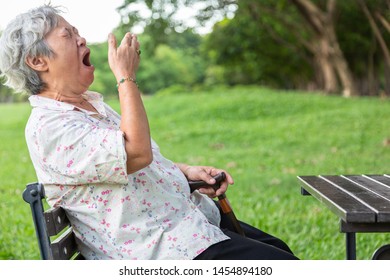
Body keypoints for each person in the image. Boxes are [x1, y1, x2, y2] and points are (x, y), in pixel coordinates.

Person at [0, 5, 298, 260]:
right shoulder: (51, 128)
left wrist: (186, 171)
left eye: (78, 32)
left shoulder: (92, 108)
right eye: (68, 35)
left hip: (188, 226)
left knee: (280, 252)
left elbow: (131, 165)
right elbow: (137, 153)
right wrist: (126, 77)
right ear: (38, 61)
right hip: (160, 250)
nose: (81, 40)